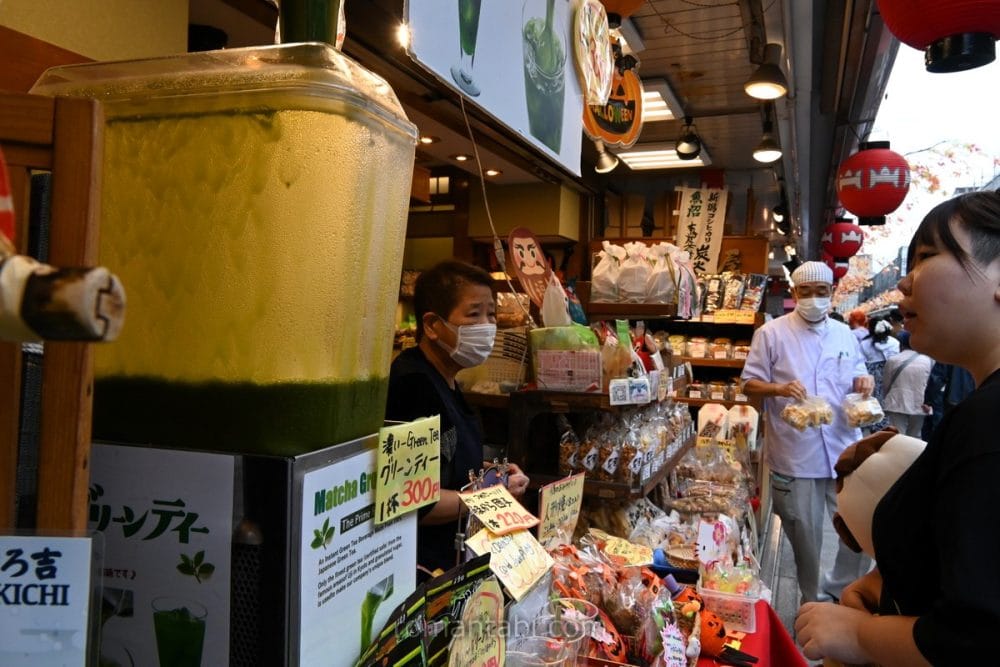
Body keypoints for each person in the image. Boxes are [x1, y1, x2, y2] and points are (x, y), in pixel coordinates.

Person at [795, 190, 1000, 665]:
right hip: (798, 454)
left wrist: (863, 637)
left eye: (927, 257)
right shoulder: (978, 409)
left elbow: (975, 637)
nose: (905, 283)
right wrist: (894, 581)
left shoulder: (989, 423)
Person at [385, 260, 529, 579]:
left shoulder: (448, 377)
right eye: (474, 314)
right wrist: (491, 495)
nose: (487, 326)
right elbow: (414, 502)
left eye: (491, 314)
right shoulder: (413, 385)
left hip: (454, 555)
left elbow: (447, 464)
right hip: (422, 570)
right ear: (433, 326)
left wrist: (494, 475)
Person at [741, 261, 874, 604]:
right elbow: (749, 384)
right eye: (806, 292)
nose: (814, 299)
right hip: (796, 451)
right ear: (794, 292)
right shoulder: (771, 333)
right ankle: (812, 600)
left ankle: (843, 589)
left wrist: (866, 381)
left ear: (832, 293)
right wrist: (780, 389)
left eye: (821, 292)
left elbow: (858, 372)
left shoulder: (844, 333)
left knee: (860, 523)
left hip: (844, 446)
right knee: (805, 533)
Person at [880, 335, 933, 437]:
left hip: (897, 400)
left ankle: (899, 452)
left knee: (898, 434)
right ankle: (914, 452)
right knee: (916, 434)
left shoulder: (893, 360)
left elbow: (886, 383)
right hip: (921, 402)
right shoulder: (929, 360)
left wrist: (886, 396)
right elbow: (932, 383)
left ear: (901, 344)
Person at [858, 316, 899, 432]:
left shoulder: (864, 344)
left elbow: (860, 362)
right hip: (890, 374)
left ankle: (871, 423)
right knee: (887, 401)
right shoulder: (894, 342)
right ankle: (885, 426)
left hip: (870, 375)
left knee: (870, 400)